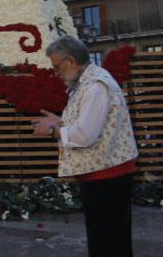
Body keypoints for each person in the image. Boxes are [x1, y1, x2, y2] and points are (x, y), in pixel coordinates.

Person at [33, 35, 138, 257]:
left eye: (57, 67)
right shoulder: (88, 82)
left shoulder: (95, 86)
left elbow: (85, 134)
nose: (56, 73)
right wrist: (60, 123)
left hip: (107, 175)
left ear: (70, 61)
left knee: (108, 242)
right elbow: (88, 124)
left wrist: (53, 130)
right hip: (101, 173)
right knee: (107, 238)